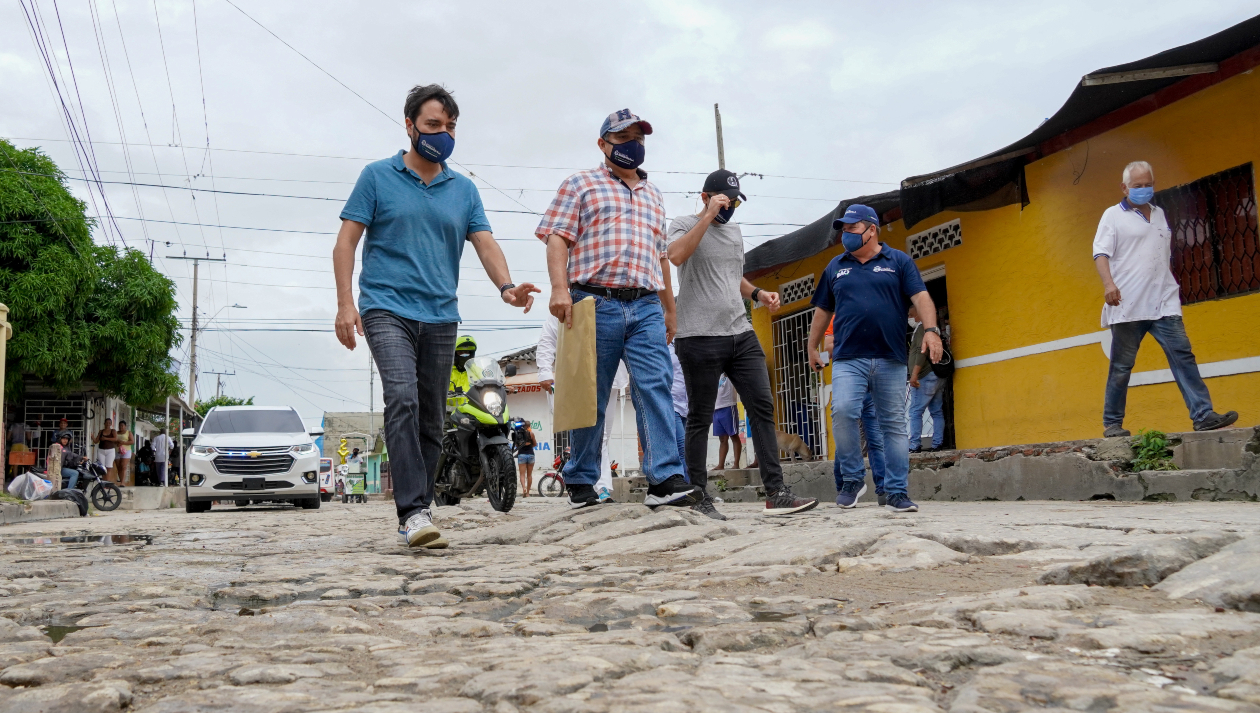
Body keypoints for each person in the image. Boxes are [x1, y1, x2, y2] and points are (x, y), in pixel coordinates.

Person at [333, 84, 538, 548]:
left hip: (441, 314)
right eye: (432, 126)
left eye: (449, 127)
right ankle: (412, 512)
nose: (442, 134)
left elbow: (484, 241)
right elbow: (346, 241)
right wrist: (346, 303)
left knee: (430, 415)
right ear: (409, 126)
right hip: (385, 308)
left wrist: (506, 287)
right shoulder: (376, 177)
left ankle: (421, 509)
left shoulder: (462, 189)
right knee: (402, 397)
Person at [538, 108, 699, 510]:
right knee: (591, 396)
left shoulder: (654, 195)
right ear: (603, 144)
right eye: (623, 138)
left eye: (639, 139)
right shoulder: (580, 184)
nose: (633, 146)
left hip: (645, 304)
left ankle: (664, 477)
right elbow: (557, 238)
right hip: (592, 301)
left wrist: (669, 309)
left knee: (656, 386)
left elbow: (660, 256)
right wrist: (560, 290)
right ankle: (580, 477)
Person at [668, 169, 818, 518]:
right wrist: (706, 218)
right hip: (699, 336)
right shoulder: (682, 222)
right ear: (705, 197)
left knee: (762, 407)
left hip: (740, 332)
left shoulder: (734, 231)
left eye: (734, 201)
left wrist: (758, 293)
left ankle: (776, 492)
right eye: (723, 201)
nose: (730, 208)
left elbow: (733, 277)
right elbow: (675, 255)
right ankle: (698, 496)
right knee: (700, 418)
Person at [808, 204, 942, 514]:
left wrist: (932, 330)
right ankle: (853, 480)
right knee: (842, 412)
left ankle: (896, 492)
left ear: (872, 229)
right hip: (847, 358)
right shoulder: (835, 266)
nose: (846, 234)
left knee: (892, 425)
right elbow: (822, 310)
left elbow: (921, 297)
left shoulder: (899, 261)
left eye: (852, 228)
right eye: (843, 229)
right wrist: (812, 346)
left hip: (890, 358)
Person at [1093, 161, 1237, 437]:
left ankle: (1203, 414)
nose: (1144, 190)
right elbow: (1100, 253)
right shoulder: (1112, 215)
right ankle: (1112, 423)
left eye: (1148, 184)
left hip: (1163, 301)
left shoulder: (1159, 214)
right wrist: (1108, 284)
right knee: (1122, 366)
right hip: (1127, 304)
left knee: (1183, 356)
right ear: (1125, 188)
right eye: (1138, 186)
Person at [537, 314, 625, 502]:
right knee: (593, 433)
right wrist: (544, 370)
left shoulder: (614, 302)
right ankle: (599, 488)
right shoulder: (568, 303)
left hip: (612, 378)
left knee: (603, 436)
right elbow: (548, 338)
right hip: (579, 377)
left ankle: (595, 487)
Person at [823, 323, 888, 507]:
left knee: (876, 440)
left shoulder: (874, 313)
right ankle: (845, 486)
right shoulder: (837, 317)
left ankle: (884, 489)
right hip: (848, 386)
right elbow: (828, 346)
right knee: (844, 439)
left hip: (872, 387)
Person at [907, 306, 947, 453]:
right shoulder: (932, 328)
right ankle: (938, 443)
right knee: (936, 411)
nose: (909, 318)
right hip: (936, 375)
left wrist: (914, 374)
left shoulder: (922, 327)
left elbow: (921, 352)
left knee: (915, 412)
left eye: (911, 314)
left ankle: (915, 445)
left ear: (919, 313)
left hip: (924, 375)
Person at [710, 377, 741, 471]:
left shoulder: (728, 373)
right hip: (716, 408)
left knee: (734, 436)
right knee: (722, 439)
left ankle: (736, 464)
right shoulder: (715, 372)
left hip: (728, 406)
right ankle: (720, 465)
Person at [513, 420, 537, 498]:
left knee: (522, 474)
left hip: (521, 455)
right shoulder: (531, 434)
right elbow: (535, 444)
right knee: (529, 475)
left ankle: (524, 488)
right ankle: (528, 493)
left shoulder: (519, 434)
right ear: (529, 426)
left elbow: (516, 445)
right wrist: (529, 446)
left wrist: (522, 446)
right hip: (530, 454)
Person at [116, 420, 134, 487]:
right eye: (119, 426)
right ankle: (121, 481)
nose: (121, 427)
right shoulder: (116, 433)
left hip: (126, 451)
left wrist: (123, 443)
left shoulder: (128, 432)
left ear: (125, 426)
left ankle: (123, 482)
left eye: (122, 426)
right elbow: (114, 439)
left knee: (123, 466)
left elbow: (132, 441)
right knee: (119, 467)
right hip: (117, 450)